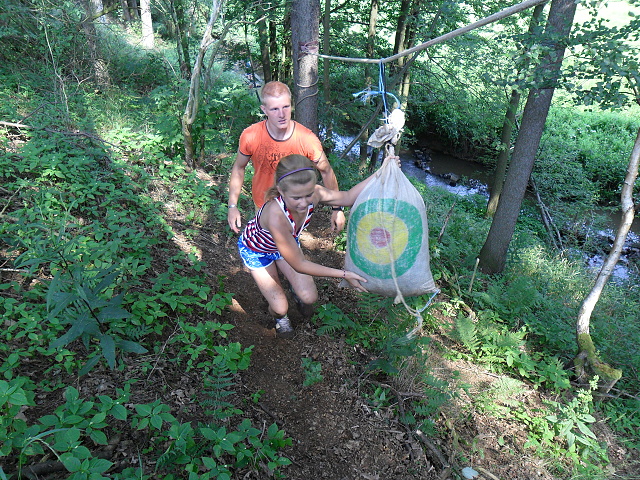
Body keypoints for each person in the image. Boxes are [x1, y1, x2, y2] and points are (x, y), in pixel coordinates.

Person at [237, 153, 399, 338]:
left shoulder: (315, 194)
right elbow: (300, 264)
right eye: (296, 197)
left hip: (286, 245)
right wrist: (344, 274)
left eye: (308, 195)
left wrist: (382, 172)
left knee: (309, 297)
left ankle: (293, 287)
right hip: (257, 250)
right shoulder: (276, 216)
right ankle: (279, 318)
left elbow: (347, 197)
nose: (304, 203)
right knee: (280, 307)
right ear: (281, 190)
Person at [227, 81, 346, 234]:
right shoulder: (251, 135)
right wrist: (232, 206)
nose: (282, 114)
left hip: (296, 209)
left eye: (286, 107)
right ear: (264, 110)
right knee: (266, 245)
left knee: (288, 246)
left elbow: (326, 171)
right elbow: (239, 167)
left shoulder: (306, 139)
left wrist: (337, 209)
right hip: (263, 206)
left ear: (292, 105)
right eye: (274, 109)